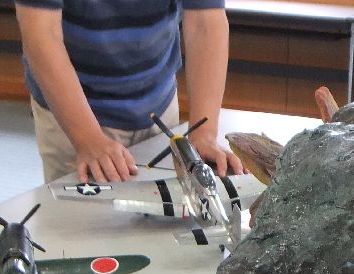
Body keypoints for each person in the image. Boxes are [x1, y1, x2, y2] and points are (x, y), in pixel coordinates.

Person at [14, 0, 244, 183]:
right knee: (80, 221)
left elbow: (205, 22)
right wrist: (88, 139)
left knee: (166, 216)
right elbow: (41, 34)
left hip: (159, 104)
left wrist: (204, 133)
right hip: (75, 115)